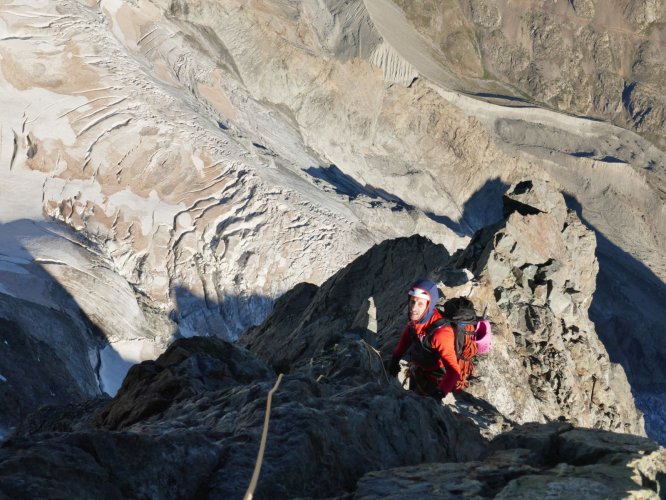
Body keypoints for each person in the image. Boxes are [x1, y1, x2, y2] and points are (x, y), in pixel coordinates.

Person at [387, 278, 461, 398]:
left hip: (435, 380)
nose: (413, 308)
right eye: (412, 302)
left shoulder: (441, 333)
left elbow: (454, 371)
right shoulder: (414, 323)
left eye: (420, 303)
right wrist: (394, 360)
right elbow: (403, 344)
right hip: (417, 371)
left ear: (429, 305)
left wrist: (440, 392)